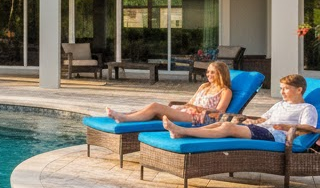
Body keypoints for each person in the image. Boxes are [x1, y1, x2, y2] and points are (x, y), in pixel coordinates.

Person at [163, 73, 318, 142]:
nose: (282, 92)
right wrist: (251, 120)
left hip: (275, 136)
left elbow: (309, 128)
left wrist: (286, 126)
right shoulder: (279, 104)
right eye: (281, 88)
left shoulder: (307, 108)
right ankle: (182, 134)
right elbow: (263, 119)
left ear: (299, 90)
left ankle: (181, 131)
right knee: (219, 124)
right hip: (263, 129)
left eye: (286, 88)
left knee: (228, 128)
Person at [106, 61, 232, 125]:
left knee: (155, 107)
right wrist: (185, 106)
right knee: (154, 111)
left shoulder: (225, 91)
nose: (208, 75)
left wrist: (195, 108)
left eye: (212, 72)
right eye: (208, 72)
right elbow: (190, 102)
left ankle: (124, 118)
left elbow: (219, 113)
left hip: (200, 118)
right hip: (187, 112)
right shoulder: (204, 86)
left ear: (221, 74)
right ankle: (125, 115)